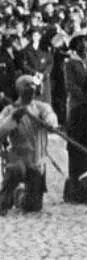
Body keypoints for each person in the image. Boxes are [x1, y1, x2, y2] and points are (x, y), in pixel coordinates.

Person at [0, 75, 59, 213]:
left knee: (33, 207)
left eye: (33, 85)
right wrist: (13, 118)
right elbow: (1, 131)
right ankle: (5, 197)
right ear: (19, 89)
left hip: (37, 159)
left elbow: (52, 118)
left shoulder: (41, 107)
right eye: (27, 85)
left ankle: (20, 196)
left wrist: (49, 123)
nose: (32, 88)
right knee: (15, 171)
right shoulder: (9, 110)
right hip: (17, 157)